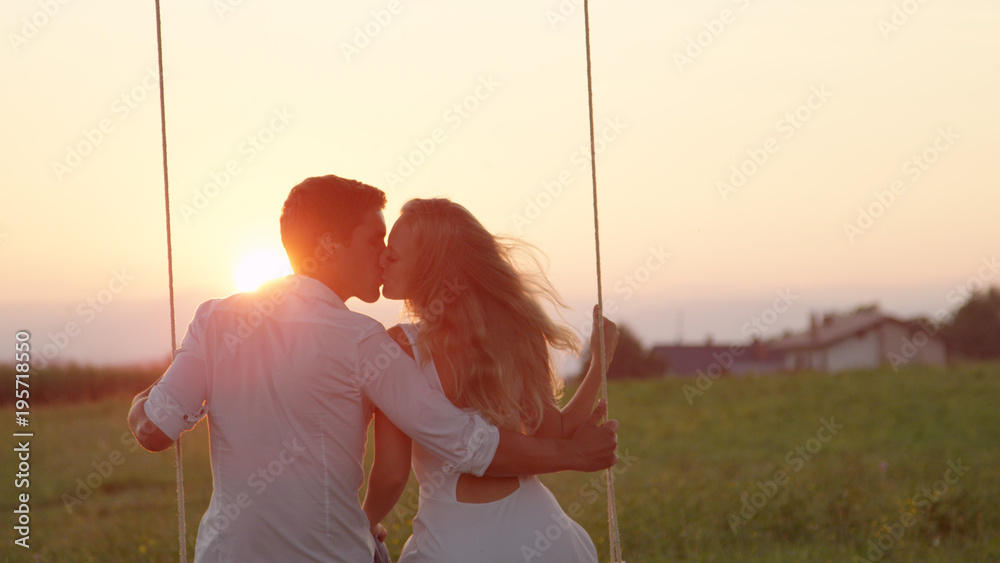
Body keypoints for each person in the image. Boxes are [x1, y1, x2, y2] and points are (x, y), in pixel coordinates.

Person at [127, 175, 619, 563]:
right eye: (373, 239)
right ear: (329, 245)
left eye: (391, 245)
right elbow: (463, 441)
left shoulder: (216, 319)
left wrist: (140, 406)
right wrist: (570, 452)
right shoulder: (365, 341)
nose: (382, 255)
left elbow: (153, 428)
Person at [363, 198, 620, 562]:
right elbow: (552, 433)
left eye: (394, 254)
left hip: (453, 547)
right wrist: (599, 365)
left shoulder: (401, 347)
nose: (383, 259)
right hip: (543, 536)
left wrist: (362, 523)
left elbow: (391, 474)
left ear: (429, 269)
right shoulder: (516, 332)